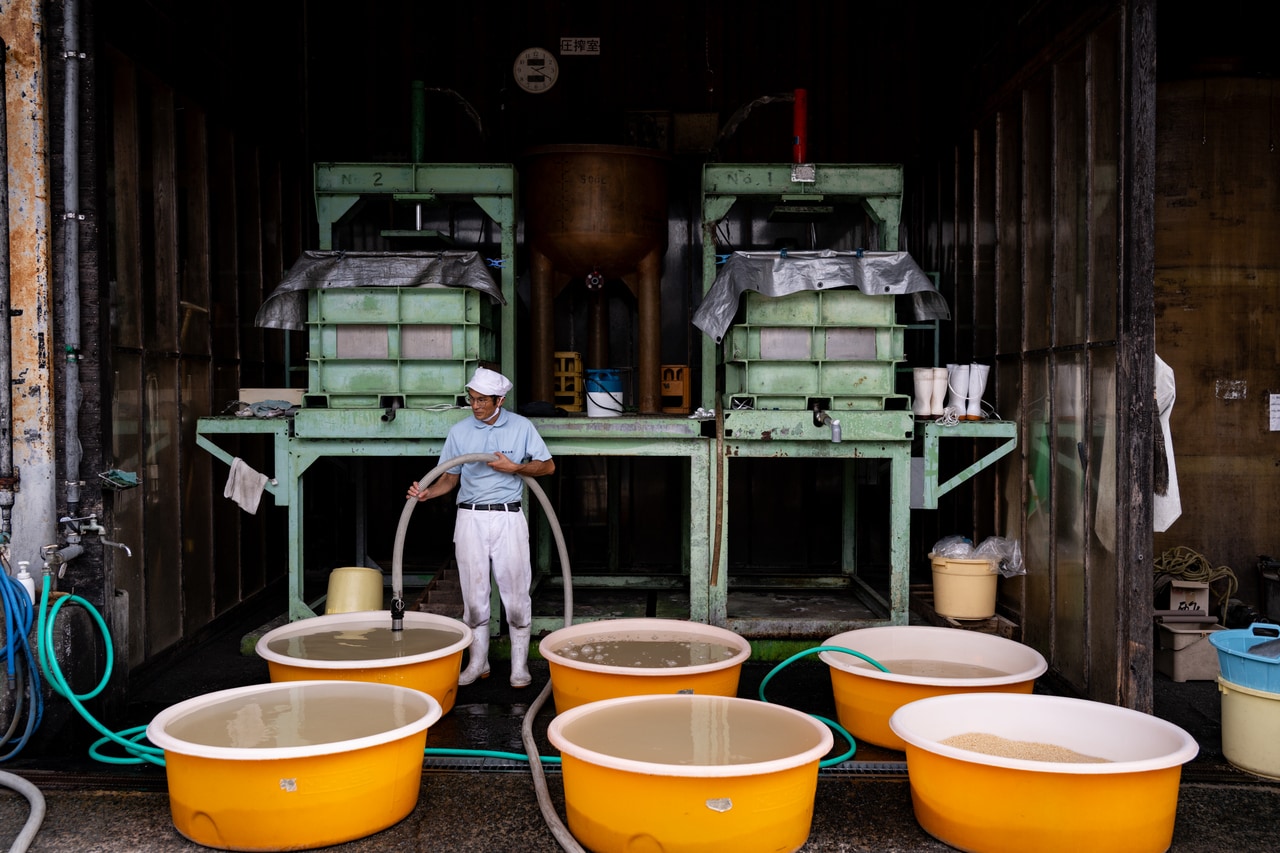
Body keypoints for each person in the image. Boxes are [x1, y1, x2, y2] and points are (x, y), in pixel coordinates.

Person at [407, 367, 555, 688]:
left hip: (508, 517)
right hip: (470, 517)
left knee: (515, 595)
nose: (476, 406)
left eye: (482, 401)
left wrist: (515, 467)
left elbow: (547, 465)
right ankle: (478, 663)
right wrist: (428, 493)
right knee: (474, 596)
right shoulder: (460, 432)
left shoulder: (521, 427)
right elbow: (449, 477)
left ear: (499, 400)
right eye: (472, 399)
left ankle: (519, 667)